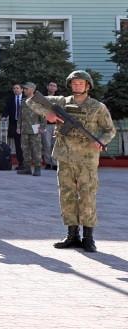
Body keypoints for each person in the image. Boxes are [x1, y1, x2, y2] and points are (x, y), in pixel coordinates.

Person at [38, 70, 116, 253]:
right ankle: (72, 235)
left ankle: (88, 238)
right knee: (67, 195)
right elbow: (31, 101)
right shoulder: (61, 102)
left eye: (81, 83)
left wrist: (101, 141)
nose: (77, 86)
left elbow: (110, 130)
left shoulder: (98, 107)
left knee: (87, 196)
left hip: (87, 159)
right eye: (74, 83)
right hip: (65, 157)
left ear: (88, 86)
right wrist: (47, 114)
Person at [17, 82, 45, 176]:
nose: (24, 90)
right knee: (25, 149)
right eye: (24, 89)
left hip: (35, 128)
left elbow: (43, 115)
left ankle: (37, 168)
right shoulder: (23, 101)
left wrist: (42, 127)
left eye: (26, 89)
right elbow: (20, 115)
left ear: (32, 90)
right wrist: (18, 127)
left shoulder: (38, 101)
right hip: (24, 128)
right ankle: (27, 168)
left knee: (36, 149)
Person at [4, 83, 27, 171]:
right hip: (14, 124)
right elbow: (6, 109)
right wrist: (4, 116)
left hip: (25, 124)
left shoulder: (26, 99)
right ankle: (21, 163)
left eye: (17, 88)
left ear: (22, 89)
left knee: (25, 144)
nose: (15, 90)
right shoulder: (10, 99)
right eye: (14, 88)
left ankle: (27, 163)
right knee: (18, 144)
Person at [42, 81, 61, 169]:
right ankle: (48, 163)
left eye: (54, 86)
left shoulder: (59, 99)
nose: (52, 87)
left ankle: (55, 163)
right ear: (47, 87)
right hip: (46, 125)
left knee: (55, 145)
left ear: (56, 89)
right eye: (50, 85)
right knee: (46, 144)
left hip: (56, 125)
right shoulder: (43, 98)